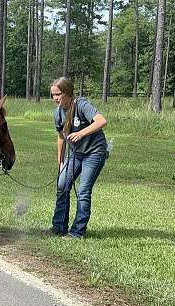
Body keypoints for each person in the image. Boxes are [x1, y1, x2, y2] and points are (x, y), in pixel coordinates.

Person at [46, 77, 108, 239]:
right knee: (62, 185)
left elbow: (101, 121)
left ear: (67, 92)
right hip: (76, 154)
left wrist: (81, 133)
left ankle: (77, 232)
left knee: (83, 191)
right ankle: (59, 226)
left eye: (58, 94)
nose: (55, 98)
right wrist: (60, 163)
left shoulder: (81, 104)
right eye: (52, 95)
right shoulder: (58, 113)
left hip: (95, 152)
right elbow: (61, 137)